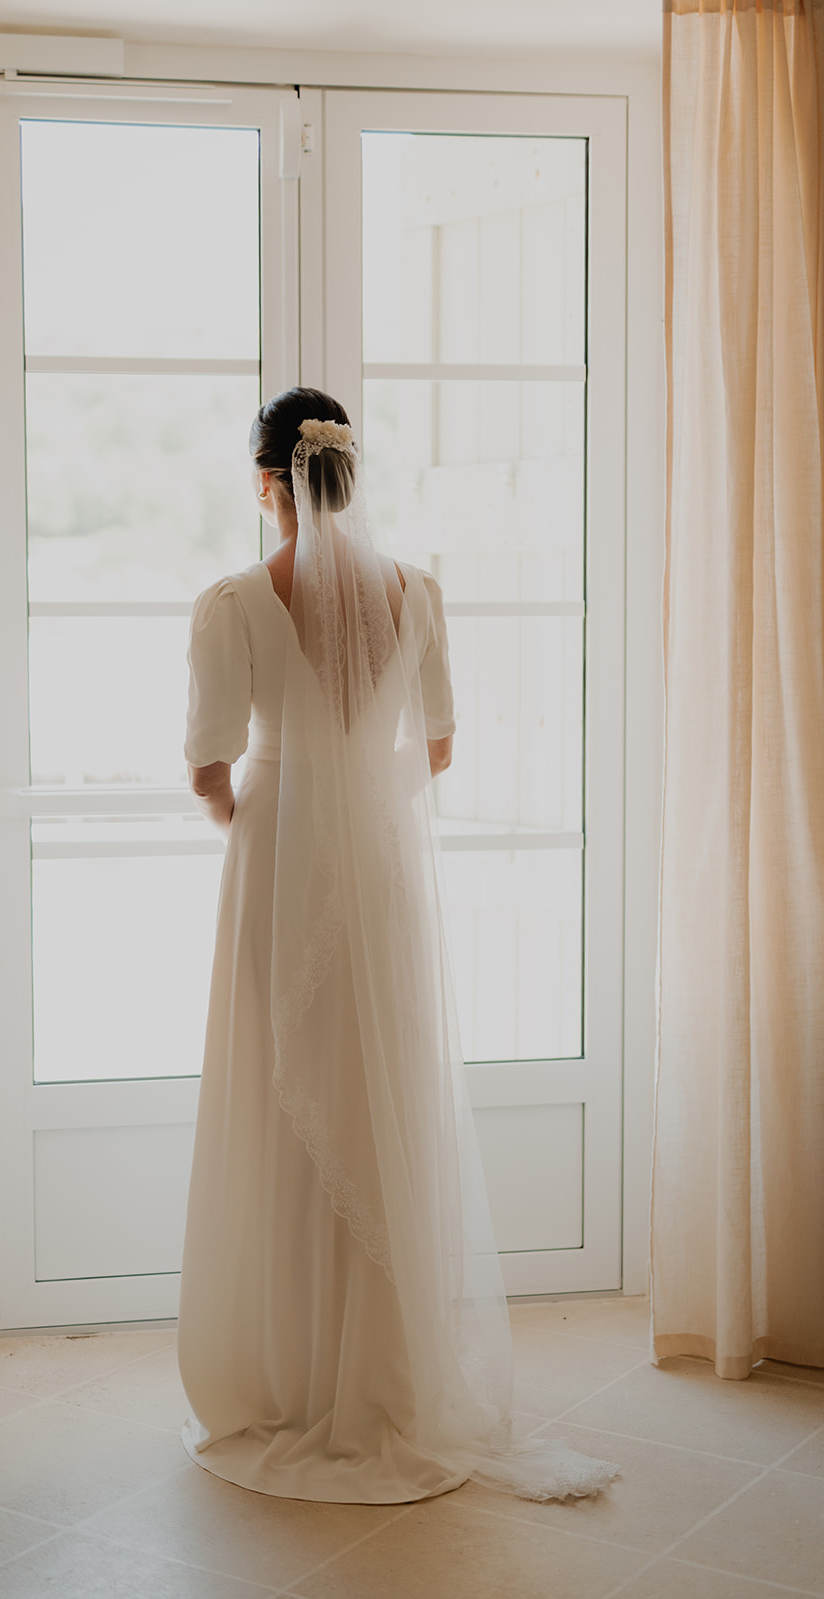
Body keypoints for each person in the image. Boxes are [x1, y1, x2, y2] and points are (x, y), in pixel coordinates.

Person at [177, 387, 618, 1504]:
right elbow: (442, 743)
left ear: (269, 482)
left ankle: (284, 1374)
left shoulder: (233, 601)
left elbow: (208, 764)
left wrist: (272, 827)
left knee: (279, 1101)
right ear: (348, 476)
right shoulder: (415, 593)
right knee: (379, 1100)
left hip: (276, 871)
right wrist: (361, 812)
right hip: (376, 874)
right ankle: (384, 1370)